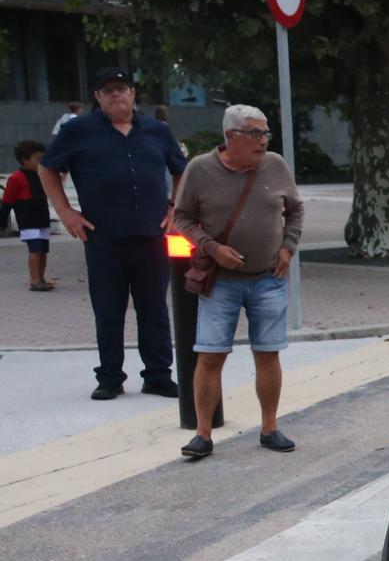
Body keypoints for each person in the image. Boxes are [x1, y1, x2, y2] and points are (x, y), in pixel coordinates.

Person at [38, 67, 187, 400]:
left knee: (155, 310)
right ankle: (110, 376)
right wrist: (64, 212)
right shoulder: (79, 131)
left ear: (133, 93)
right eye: (108, 90)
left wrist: (175, 208)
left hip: (152, 236)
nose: (115, 95)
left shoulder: (156, 131)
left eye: (121, 89)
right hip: (103, 238)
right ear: (97, 97)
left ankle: (158, 375)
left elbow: (181, 169)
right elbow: (46, 167)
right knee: (108, 309)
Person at [170, 103, 304, 458]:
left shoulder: (275, 165)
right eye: (255, 133)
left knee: (268, 353)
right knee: (210, 355)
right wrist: (212, 248)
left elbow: (296, 209)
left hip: (268, 278)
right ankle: (202, 433)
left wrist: (288, 248)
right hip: (221, 281)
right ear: (231, 136)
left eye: (265, 133)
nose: (263, 141)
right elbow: (181, 218)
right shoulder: (200, 169)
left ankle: (270, 427)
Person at [8, 141, 53, 290]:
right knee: (35, 250)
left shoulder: (41, 175)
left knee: (43, 250)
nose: (41, 162)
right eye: (38, 159)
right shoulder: (16, 178)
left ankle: (41, 278)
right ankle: (34, 280)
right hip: (28, 220)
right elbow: (7, 201)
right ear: (25, 160)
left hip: (42, 218)